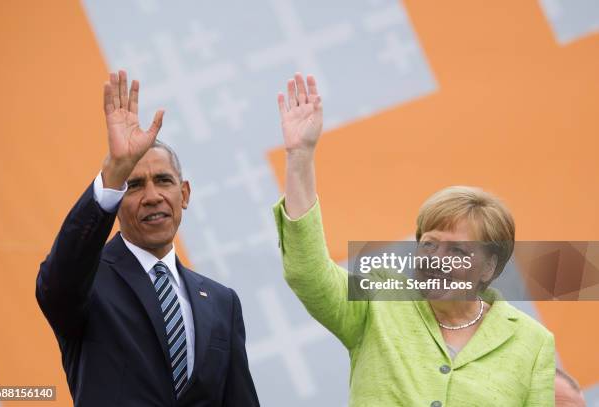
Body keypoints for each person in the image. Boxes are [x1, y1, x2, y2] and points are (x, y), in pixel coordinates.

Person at [273, 72, 555, 406]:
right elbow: (309, 274)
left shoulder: (532, 343)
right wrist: (300, 157)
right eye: (429, 243)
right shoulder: (378, 303)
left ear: (489, 266)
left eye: (458, 250)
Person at [36, 70, 260, 406]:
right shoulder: (88, 281)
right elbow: (58, 280)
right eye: (134, 185)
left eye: (164, 181)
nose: (153, 196)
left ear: (184, 194)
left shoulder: (221, 302)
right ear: (117, 202)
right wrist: (115, 172)